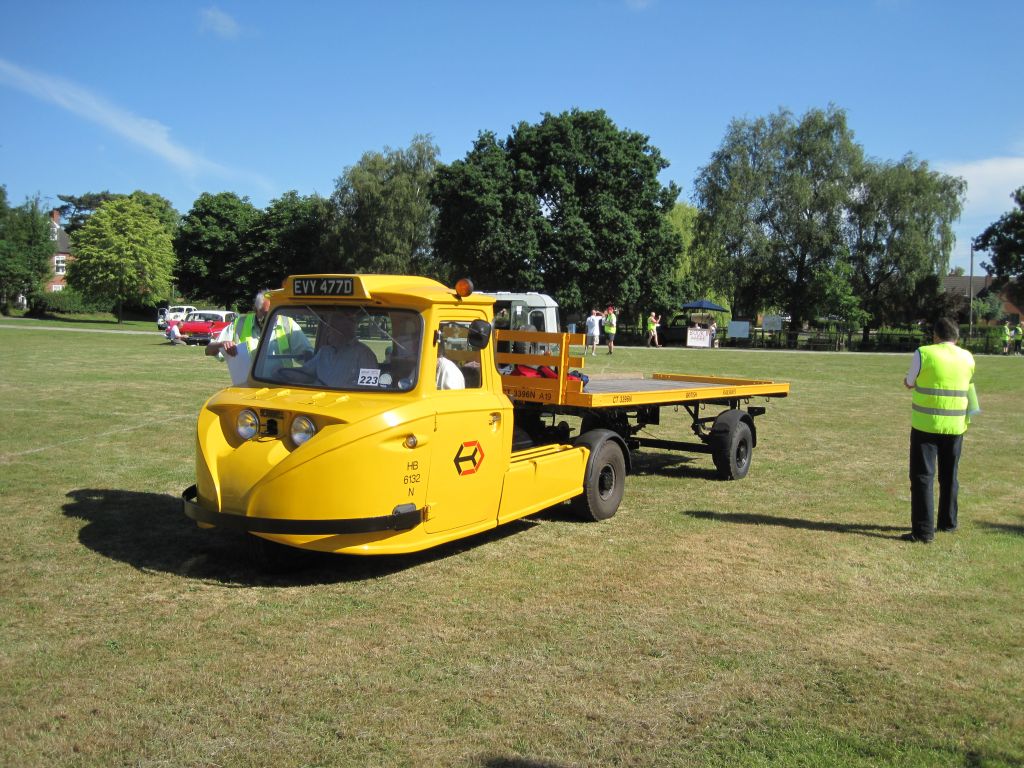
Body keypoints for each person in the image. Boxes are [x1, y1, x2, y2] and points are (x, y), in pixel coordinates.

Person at [902, 317, 979, 543]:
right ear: (956, 336)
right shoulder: (967, 357)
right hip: (956, 426)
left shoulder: (924, 353)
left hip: (926, 425)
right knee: (949, 476)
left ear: (936, 335)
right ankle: (948, 522)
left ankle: (923, 531)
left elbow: (909, 381)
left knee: (923, 477)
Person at [206, 289, 310, 385]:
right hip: (249, 389)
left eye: (274, 313)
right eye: (265, 314)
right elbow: (209, 349)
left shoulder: (288, 324)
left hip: (280, 389)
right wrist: (222, 344)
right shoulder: (239, 324)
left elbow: (308, 356)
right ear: (255, 309)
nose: (270, 317)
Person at [284, 310, 377, 388]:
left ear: (343, 331)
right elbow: (305, 373)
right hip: (317, 400)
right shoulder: (324, 352)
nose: (327, 332)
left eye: (330, 328)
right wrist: (283, 373)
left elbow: (369, 389)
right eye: (327, 328)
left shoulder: (364, 354)